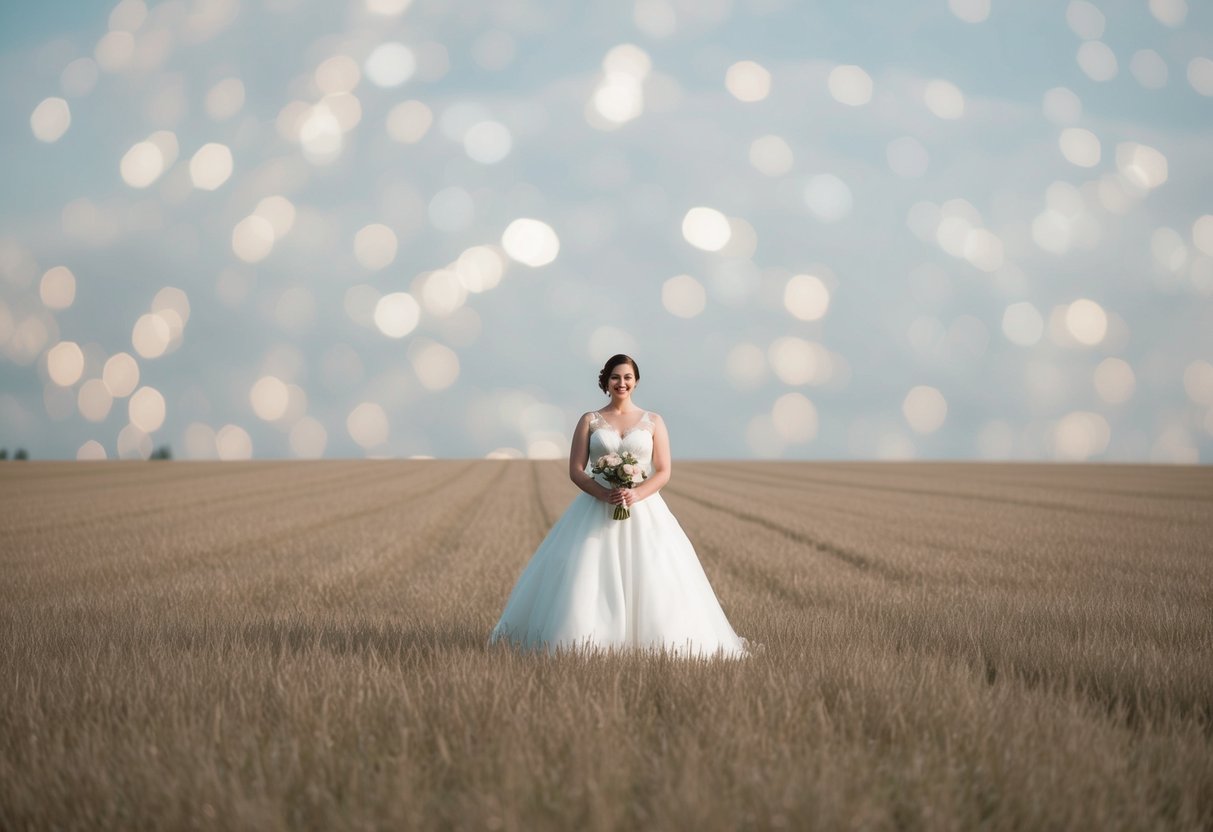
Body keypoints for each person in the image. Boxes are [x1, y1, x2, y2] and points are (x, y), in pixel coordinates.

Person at [488, 354, 754, 659]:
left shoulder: (654, 421)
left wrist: (637, 495)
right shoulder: (589, 420)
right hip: (597, 506)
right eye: (615, 377)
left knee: (654, 572)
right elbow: (576, 470)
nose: (621, 383)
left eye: (627, 377)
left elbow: (663, 470)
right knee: (585, 573)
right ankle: (584, 642)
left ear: (636, 381)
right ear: (606, 381)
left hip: (644, 509)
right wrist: (603, 494)